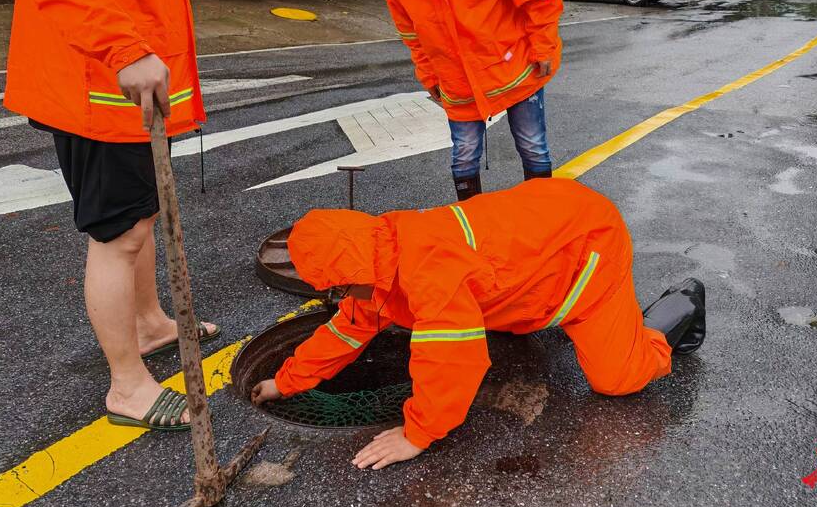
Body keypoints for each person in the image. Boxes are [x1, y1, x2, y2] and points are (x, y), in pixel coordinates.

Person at [3, 0, 229, 431]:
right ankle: (127, 386)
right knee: (118, 235)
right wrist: (128, 51)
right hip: (97, 87)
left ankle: (152, 322)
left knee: (141, 217)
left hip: (118, 89)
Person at [251, 179, 706, 469]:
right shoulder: (376, 261)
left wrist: (417, 434)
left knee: (618, 379)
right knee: (504, 317)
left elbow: (452, 360)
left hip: (586, 250)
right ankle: (542, 311)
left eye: (337, 290)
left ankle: (679, 306)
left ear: (353, 275)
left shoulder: (427, 274)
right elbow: (345, 330)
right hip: (539, 235)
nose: (339, 300)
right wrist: (285, 383)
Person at [362, 0, 563, 200]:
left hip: (515, 66)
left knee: (532, 146)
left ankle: (542, 217)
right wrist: (428, 75)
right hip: (456, 78)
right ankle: (472, 227)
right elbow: (411, 34)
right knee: (464, 156)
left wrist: (544, 46)